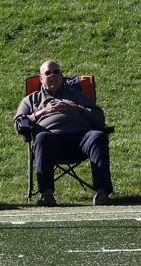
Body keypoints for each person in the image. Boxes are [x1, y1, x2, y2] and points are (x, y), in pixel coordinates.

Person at [14, 60, 113, 206]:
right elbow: (19, 124)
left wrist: (77, 108)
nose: (52, 75)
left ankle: (102, 192)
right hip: (51, 143)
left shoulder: (77, 95)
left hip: (81, 140)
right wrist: (42, 112)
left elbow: (99, 118)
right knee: (42, 138)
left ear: (62, 75)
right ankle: (47, 194)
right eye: (48, 73)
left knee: (97, 136)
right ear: (41, 79)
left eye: (56, 72)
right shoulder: (31, 99)